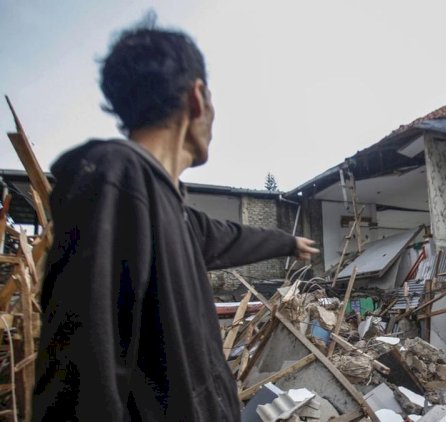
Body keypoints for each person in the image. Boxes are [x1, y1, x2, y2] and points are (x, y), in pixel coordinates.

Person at [32, 19, 319, 421]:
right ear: (197, 98)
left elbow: (233, 237)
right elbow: (77, 376)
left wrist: (289, 243)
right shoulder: (114, 179)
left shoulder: (173, 214)